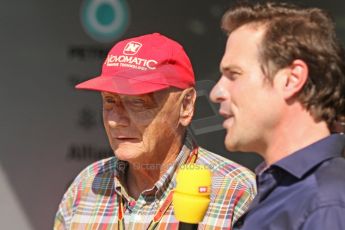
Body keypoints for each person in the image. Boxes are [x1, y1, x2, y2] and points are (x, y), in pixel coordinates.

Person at [54, 33, 256, 229]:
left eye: (137, 102)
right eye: (109, 101)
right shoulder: (85, 186)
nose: (115, 120)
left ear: (185, 106)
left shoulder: (236, 193)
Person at [210, 2, 345, 230]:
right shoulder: (287, 190)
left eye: (234, 75)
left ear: (291, 79)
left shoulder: (326, 202)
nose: (215, 93)